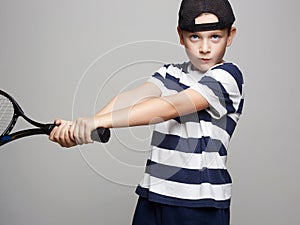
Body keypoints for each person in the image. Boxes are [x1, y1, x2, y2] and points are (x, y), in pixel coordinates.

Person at [49, 0, 245, 224]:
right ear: (180, 36)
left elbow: (171, 106)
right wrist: (88, 128)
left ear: (230, 36)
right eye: (194, 37)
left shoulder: (228, 76)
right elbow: (133, 98)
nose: (205, 48)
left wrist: (96, 121)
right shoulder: (169, 73)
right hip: (152, 196)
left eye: (215, 37)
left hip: (200, 205)